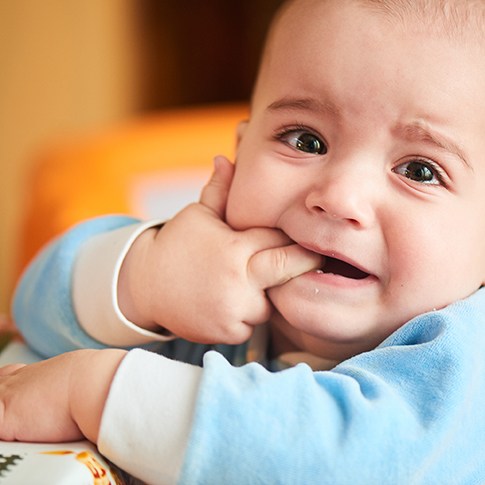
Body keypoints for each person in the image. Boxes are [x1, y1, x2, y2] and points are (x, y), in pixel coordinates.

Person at [3, 0, 485, 482]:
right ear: (239, 155)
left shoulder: (464, 366)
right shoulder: (212, 276)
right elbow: (35, 316)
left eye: (420, 171)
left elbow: (346, 459)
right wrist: (147, 278)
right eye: (305, 140)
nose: (339, 198)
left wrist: (94, 393)